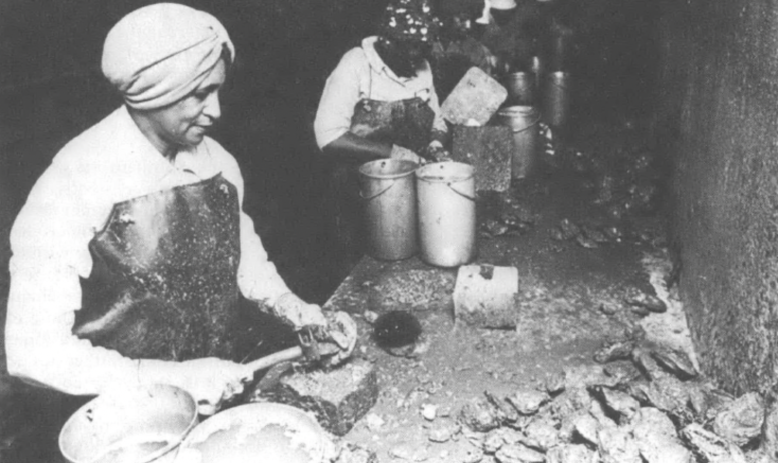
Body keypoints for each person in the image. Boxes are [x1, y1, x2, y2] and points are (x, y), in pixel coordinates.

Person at [5, 3, 357, 417]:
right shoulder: (75, 182)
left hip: (214, 395)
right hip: (120, 419)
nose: (217, 110)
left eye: (218, 90)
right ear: (153, 91)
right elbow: (32, 351)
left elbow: (244, 261)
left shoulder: (218, 164)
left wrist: (296, 310)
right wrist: (173, 377)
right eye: (200, 94)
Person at [314, 0, 449, 255]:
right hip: (361, 193)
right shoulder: (356, 64)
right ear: (388, 42)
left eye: (422, 50)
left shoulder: (421, 64)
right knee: (362, 267)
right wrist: (393, 153)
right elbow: (329, 137)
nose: (416, 60)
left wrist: (436, 143)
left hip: (410, 190)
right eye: (410, 50)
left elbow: (438, 121)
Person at [475, 0, 541, 75]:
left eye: (505, 12)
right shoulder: (487, 23)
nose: (502, 15)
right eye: (498, 12)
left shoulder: (518, 22)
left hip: (515, 67)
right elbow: (484, 45)